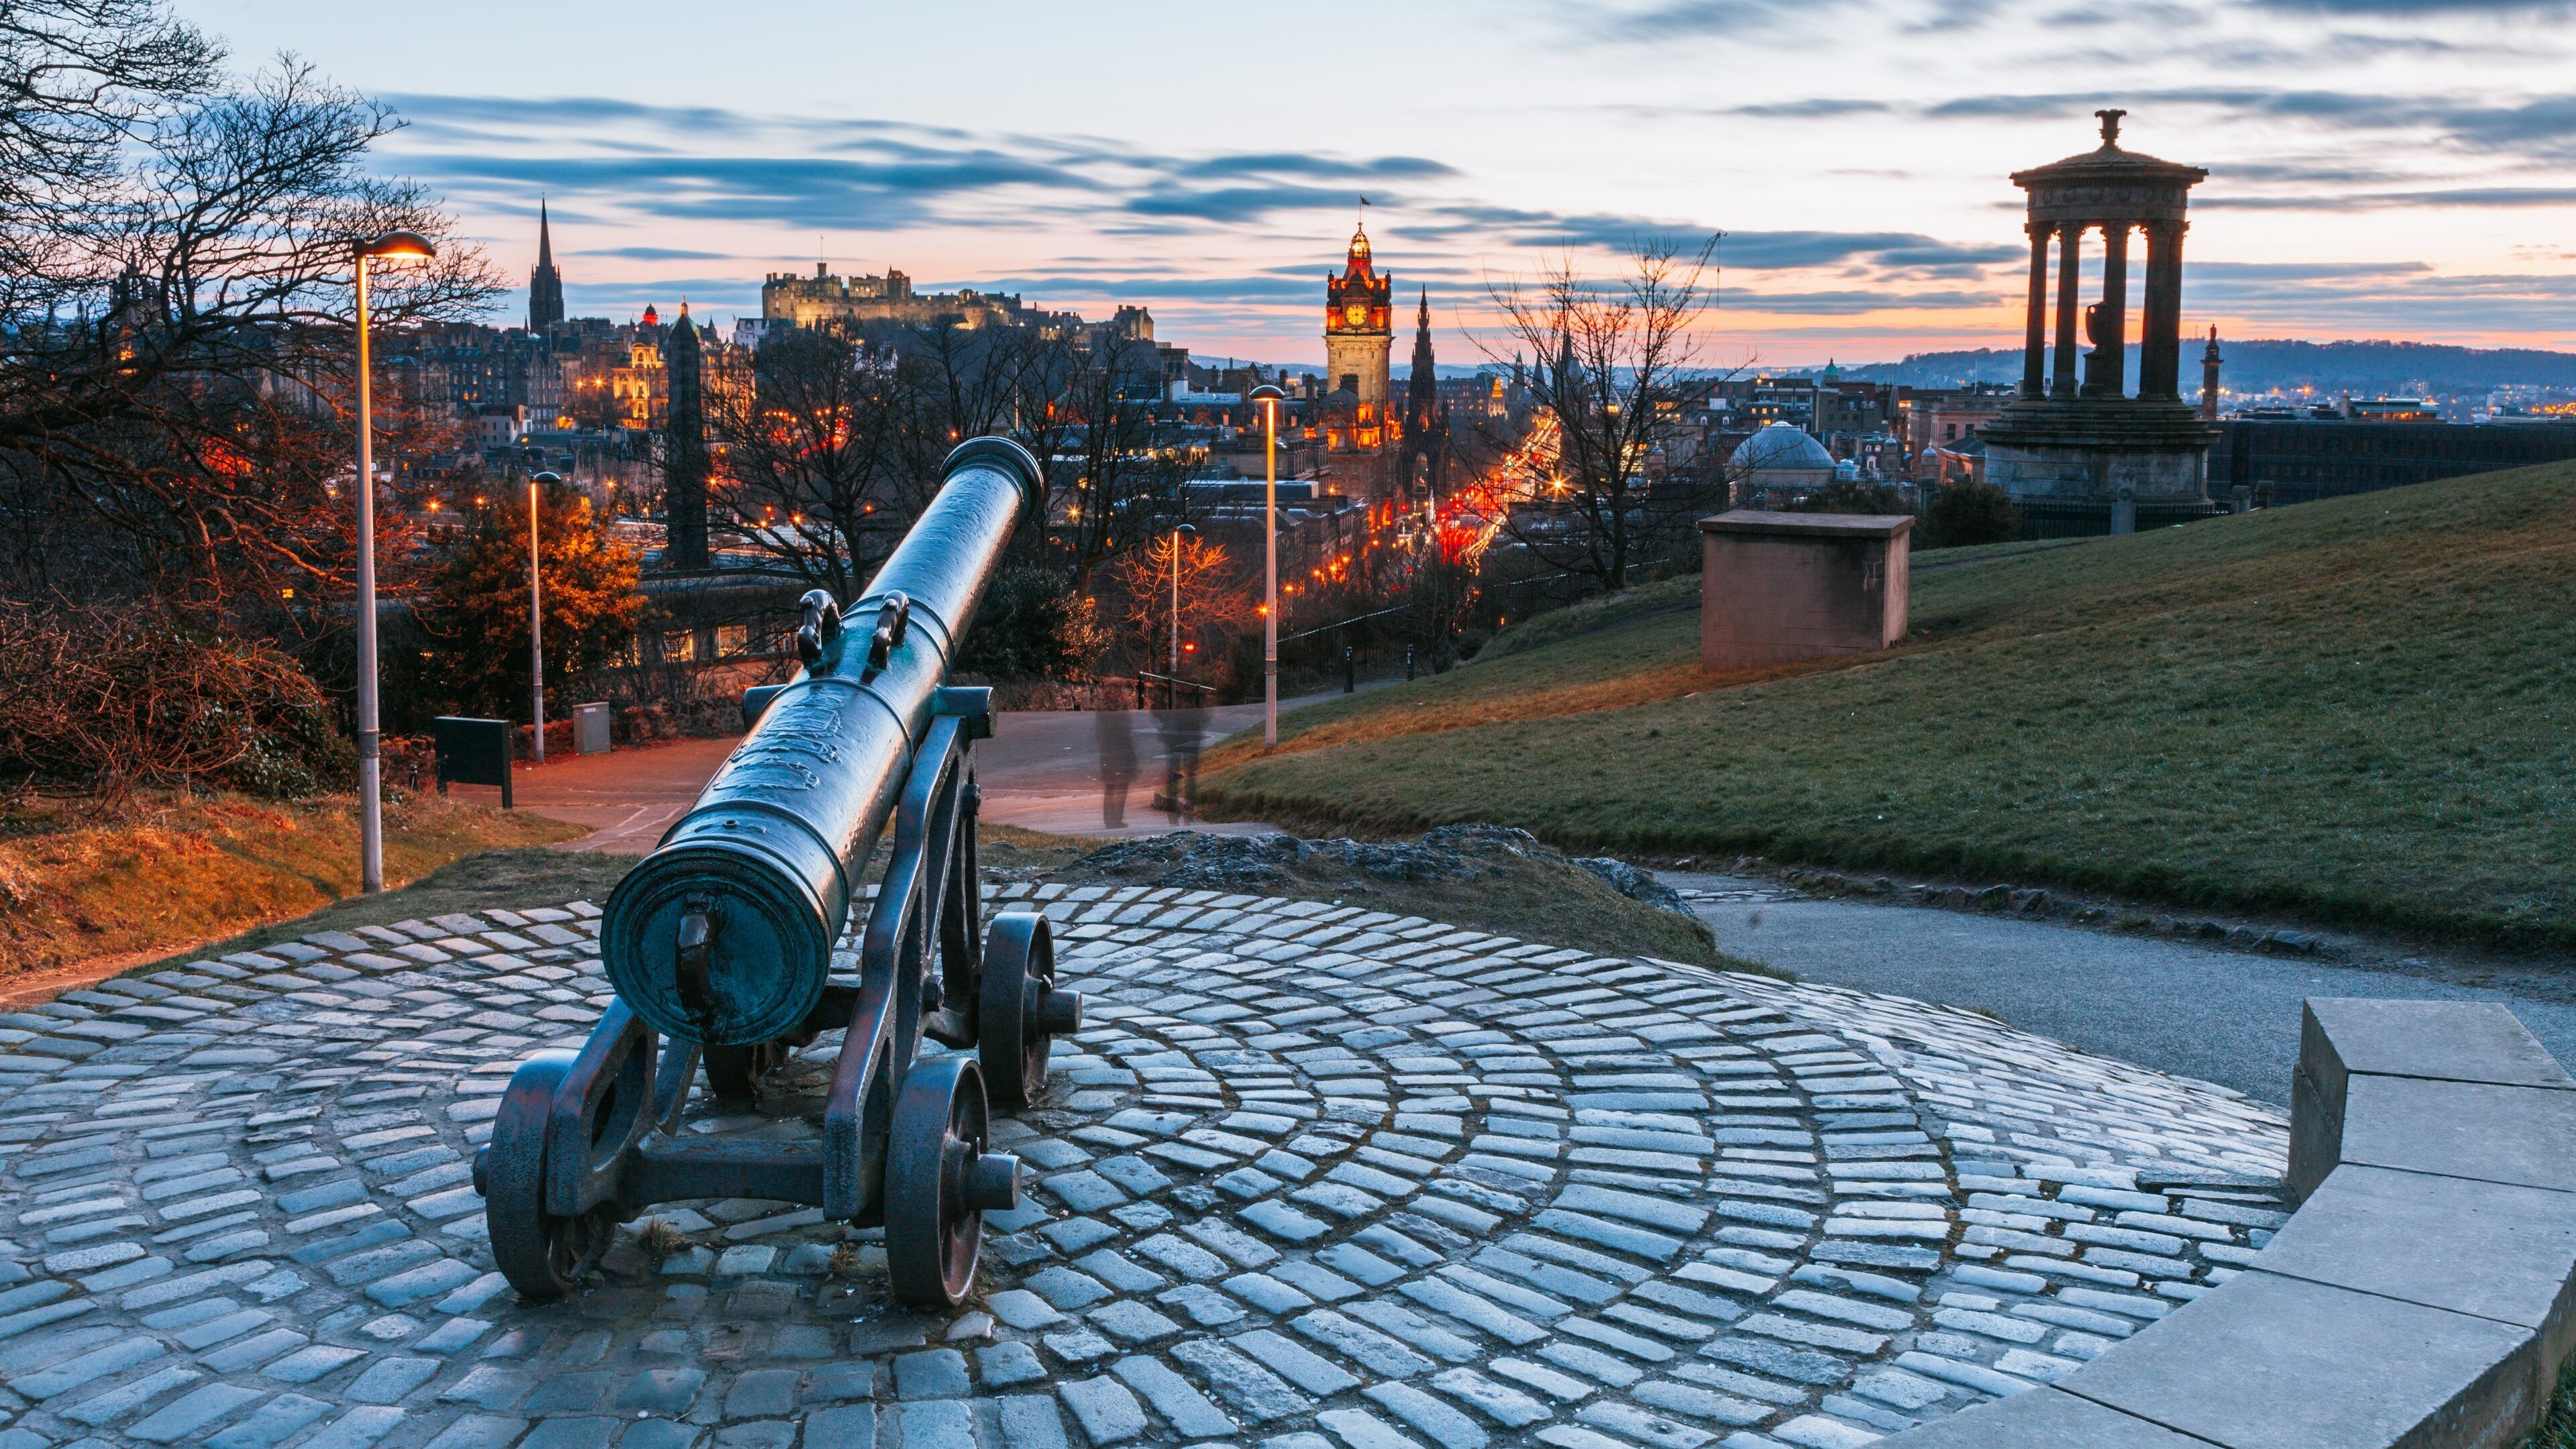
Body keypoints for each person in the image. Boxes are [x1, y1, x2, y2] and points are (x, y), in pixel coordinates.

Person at [1095, 705, 1137, 830]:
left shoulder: (1102, 715)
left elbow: (1099, 735)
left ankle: (1109, 818)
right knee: (1122, 785)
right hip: (1121, 753)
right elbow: (1125, 735)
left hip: (1107, 753)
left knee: (1110, 786)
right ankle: (1117, 818)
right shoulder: (1121, 715)